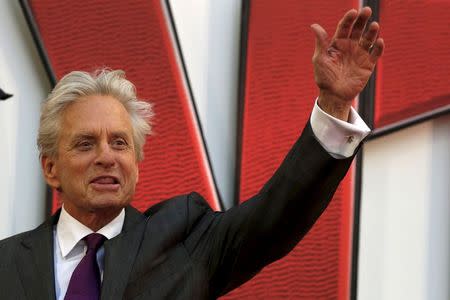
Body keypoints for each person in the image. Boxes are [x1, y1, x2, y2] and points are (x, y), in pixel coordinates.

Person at [0, 7, 383, 299]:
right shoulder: (6, 264)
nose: (106, 156)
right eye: (86, 144)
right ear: (50, 168)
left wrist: (333, 104)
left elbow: (277, 214)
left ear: (135, 162)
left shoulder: (184, 239)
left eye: (120, 143)